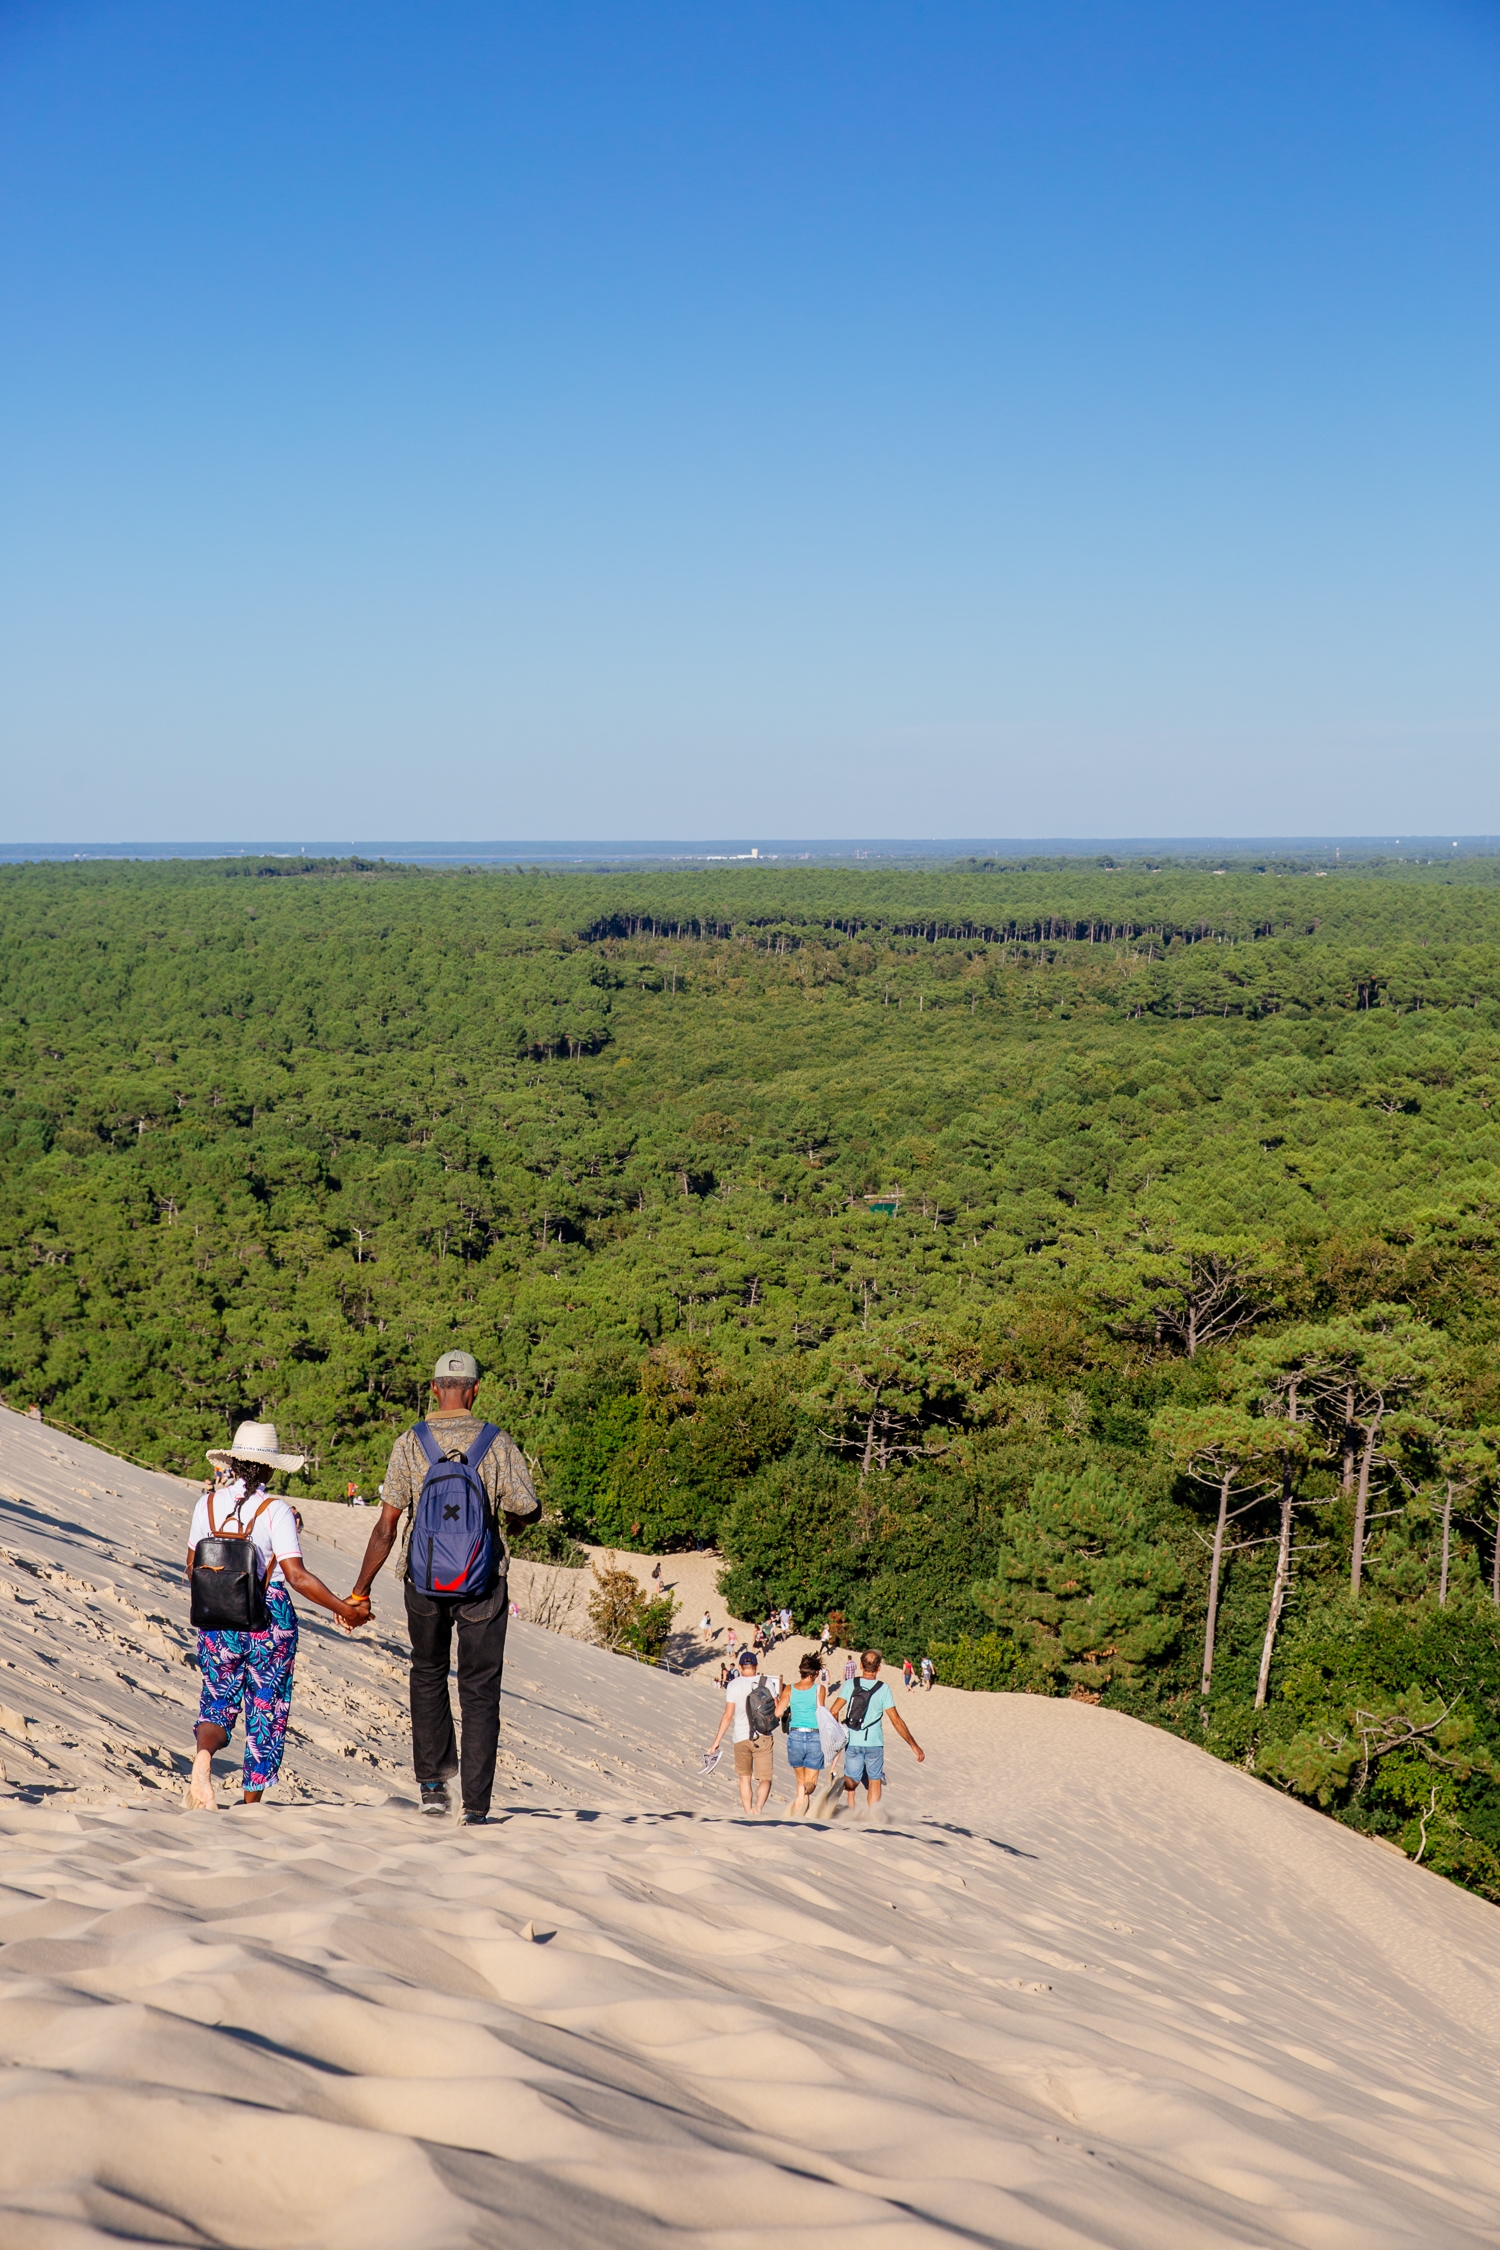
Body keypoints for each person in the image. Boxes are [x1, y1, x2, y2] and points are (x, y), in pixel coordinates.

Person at [349, 1349, 539, 1826]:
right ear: (475, 1390)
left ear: (434, 1389)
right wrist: (511, 1522)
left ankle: (433, 1787)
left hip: (424, 1582)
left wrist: (360, 1590)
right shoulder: (496, 1443)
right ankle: (475, 1807)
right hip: (482, 1583)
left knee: (428, 1673)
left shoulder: (410, 1443)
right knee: (479, 1689)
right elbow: (528, 1507)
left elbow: (386, 1527)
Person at [186, 1421, 367, 1810]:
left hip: (217, 1621)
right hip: (268, 1622)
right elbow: (297, 1576)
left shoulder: (207, 1505)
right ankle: (250, 1805)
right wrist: (344, 1609)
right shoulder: (276, 1511)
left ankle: (204, 1760)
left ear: (232, 1462)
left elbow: (192, 1567)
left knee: (217, 1701)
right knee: (265, 1709)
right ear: (269, 1469)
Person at [831, 1649, 925, 1814]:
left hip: (853, 1739)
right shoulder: (883, 1689)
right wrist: (913, 1745)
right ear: (879, 1668)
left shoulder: (850, 1684)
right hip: (874, 1742)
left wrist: (839, 1732)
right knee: (874, 1780)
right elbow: (896, 1720)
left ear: (860, 1665)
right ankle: (873, 1816)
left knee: (852, 1780)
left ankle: (842, 1782)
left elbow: (833, 1710)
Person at [706, 1649, 776, 1815]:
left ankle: (747, 1812)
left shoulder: (733, 1685)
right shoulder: (766, 1682)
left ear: (739, 1666)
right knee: (765, 1778)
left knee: (744, 1777)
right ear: (756, 1666)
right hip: (763, 1736)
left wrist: (717, 1741)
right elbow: (776, 1708)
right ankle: (757, 1809)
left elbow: (728, 1715)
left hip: (740, 1737)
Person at [775, 1653, 826, 1818]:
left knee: (800, 1780)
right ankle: (804, 1798)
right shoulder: (819, 1689)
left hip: (795, 1735)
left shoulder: (789, 1689)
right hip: (815, 1736)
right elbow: (822, 1712)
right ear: (815, 1673)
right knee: (811, 1782)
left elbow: (778, 1712)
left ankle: (798, 1811)